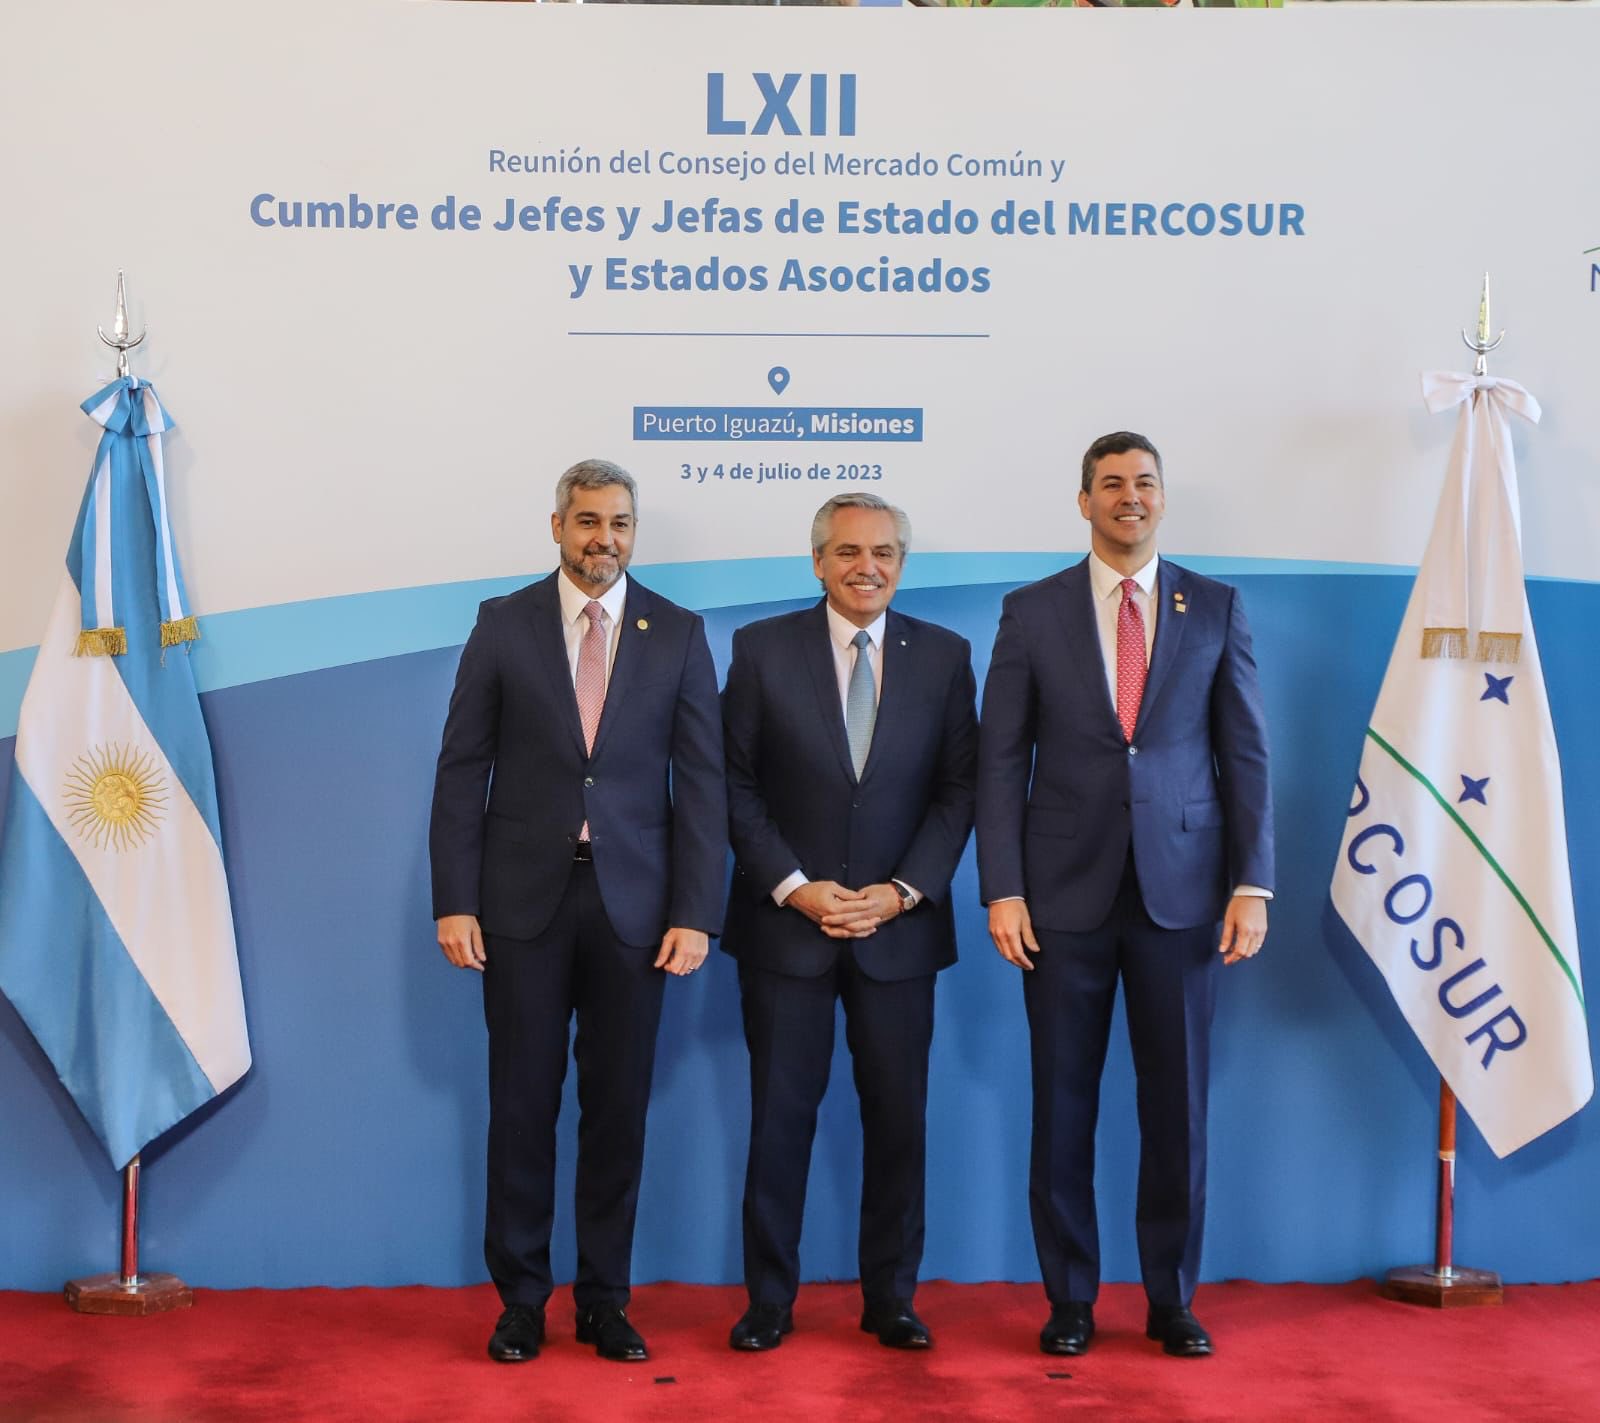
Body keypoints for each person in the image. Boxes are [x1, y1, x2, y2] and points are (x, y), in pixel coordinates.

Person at [976, 432, 1273, 1359]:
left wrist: (1252, 881)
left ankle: (1171, 1299)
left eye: (1144, 483)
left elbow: (1246, 752)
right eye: (1111, 484)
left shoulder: (1216, 605)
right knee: (1061, 1105)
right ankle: (1069, 1299)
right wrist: (1002, 888)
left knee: (1176, 1107)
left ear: (1161, 498)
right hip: (1059, 901)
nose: (1129, 497)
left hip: (1184, 898)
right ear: (1083, 502)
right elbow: (998, 760)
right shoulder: (1031, 612)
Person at [429, 458, 726, 1365]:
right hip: (522, 907)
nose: (605, 538)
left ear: (635, 533)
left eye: (621, 523)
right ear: (556, 525)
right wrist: (455, 901)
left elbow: (703, 783)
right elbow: (460, 769)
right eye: (589, 521)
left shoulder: (676, 630)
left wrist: (697, 911)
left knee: (618, 1110)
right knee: (521, 1106)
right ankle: (521, 1300)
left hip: (636, 910)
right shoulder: (503, 623)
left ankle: (604, 1300)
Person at [720, 493, 978, 1353]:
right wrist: (796, 886)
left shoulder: (945, 657)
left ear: (902, 564)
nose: (867, 565)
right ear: (819, 561)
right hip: (788, 930)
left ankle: (892, 1298)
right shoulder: (760, 650)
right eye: (848, 551)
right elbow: (735, 786)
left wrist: (903, 889)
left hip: (898, 933)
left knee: (900, 1122)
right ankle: (768, 1302)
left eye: (884, 552)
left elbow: (958, 792)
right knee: (778, 1121)